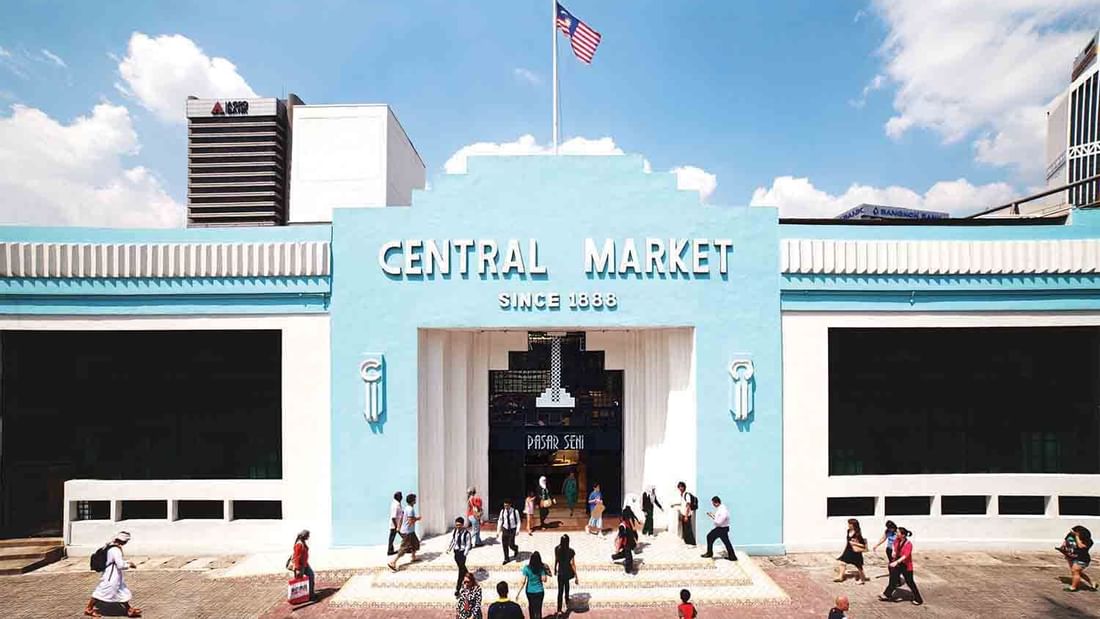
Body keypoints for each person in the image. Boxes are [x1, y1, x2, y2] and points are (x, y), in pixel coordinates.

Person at [83, 531, 141, 618]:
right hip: (111, 576)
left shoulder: (110, 546)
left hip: (113, 574)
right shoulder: (115, 550)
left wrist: (127, 562)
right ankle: (89, 608)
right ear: (123, 541)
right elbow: (120, 565)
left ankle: (129, 609)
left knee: (121, 591)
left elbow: (114, 561)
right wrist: (129, 565)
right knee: (102, 591)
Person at [879, 526, 923, 606]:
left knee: (910, 582)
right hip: (897, 564)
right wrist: (893, 552)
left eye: (898, 532)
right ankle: (887, 594)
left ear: (903, 535)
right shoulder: (897, 540)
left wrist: (896, 562)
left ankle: (918, 599)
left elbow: (905, 556)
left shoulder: (908, 544)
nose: (896, 533)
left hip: (906, 566)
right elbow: (893, 546)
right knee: (893, 579)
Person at [389, 493, 421, 571]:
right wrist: (417, 519)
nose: (415, 500)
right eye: (415, 499)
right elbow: (410, 521)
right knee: (404, 548)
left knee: (415, 543)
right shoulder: (410, 509)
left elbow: (402, 518)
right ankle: (393, 562)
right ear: (413, 501)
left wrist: (399, 527)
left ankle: (413, 557)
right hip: (408, 532)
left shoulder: (406, 508)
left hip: (410, 531)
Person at [1058, 525, 1095, 592]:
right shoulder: (1070, 535)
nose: (1071, 532)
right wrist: (1063, 548)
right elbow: (1066, 541)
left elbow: (1080, 546)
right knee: (1078, 573)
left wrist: (1077, 536)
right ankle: (1092, 583)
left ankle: (1073, 587)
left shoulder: (1088, 541)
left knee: (1075, 572)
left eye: (1074, 531)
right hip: (1071, 557)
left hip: (1082, 558)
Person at [701, 496, 737, 561]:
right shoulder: (721, 508)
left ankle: (709, 553)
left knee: (709, 536)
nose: (713, 505)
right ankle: (732, 556)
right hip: (722, 528)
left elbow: (720, 520)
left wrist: (715, 520)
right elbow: (719, 518)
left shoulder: (723, 510)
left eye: (713, 503)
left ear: (716, 503)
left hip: (721, 528)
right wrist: (713, 516)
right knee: (726, 542)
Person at [516, 551, 551, 619]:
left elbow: (523, 582)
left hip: (530, 591)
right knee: (538, 609)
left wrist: (518, 593)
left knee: (531, 607)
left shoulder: (526, 568)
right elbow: (544, 580)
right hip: (539, 591)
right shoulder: (541, 568)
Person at [834, 518, 868, 584]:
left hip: (855, 552)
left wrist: (854, 543)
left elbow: (863, 545)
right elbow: (848, 541)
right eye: (848, 523)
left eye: (850, 524)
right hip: (848, 550)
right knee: (842, 562)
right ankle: (840, 577)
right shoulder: (848, 531)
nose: (848, 525)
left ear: (853, 525)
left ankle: (862, 579)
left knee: (859, 566)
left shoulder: (857, 534)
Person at [553, 534, 579, 616]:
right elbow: (572, 564)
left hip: (560, 572)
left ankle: (559, 610)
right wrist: (576, 576)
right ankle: (567, 598)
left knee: (560, 591)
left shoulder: (557, 549)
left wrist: (555, 568)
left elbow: (556, 559)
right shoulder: (571, 551)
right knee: (567, 584)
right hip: (567, 572)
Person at [448, 517, 474, 597]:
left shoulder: (467, 533)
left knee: (460, 571)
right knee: (463, 569)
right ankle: (471, 578)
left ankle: (457, 589)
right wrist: (449, 549)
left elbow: (468, 544)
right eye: (456, 525)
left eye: (459, 525)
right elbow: (453, 540)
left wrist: (465, 554)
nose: (458, 526)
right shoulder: (455, 531)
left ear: (462, 525)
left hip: (462, 553)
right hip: (456, 553)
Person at [291, 529, 315, 602]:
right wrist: (298, 569)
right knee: (299, 582)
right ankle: (298, 598)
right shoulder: (299, 544)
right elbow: (296, 557)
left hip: (305, 564)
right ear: (304, 536)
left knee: (311, 576)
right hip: (300, 566)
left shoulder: (303, 542)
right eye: (308, 535)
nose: (309, 537)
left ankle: (310, 595)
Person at [497, 498, 521, 565]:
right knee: (504, 545)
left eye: (507, 506)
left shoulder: (515, 511)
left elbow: (518, 521)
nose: (506, 507)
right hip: (505, 529)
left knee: (511, 544)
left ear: (510, 505)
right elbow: (500, 521)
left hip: (512, 530)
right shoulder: (502, 511)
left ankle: (515, 548)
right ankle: (506, 558)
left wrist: (517, 530)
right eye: (505, 506)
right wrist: (498, 531)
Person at [676, 481, 696, 546]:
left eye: (682, 487)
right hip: (683, 514)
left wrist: (686, 516)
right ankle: (687, 542)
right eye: (679, 487)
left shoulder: (686, 495)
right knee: (684, 529)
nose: (680, 488)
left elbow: (688, 505)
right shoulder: (682, 495)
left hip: (686, 514)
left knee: (688, 529)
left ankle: (692, 543)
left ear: (684, 487)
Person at [388, 491, 404, 555]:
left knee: (392, 537)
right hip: (395, 524)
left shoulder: (397, 503)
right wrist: (397, 526)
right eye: (401, 496)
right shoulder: (395, 505)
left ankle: (390, 550)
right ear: (397, 497)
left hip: (398, 524)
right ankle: (408, 547)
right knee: (404, 536)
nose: (402, 497)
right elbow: (393, 517)